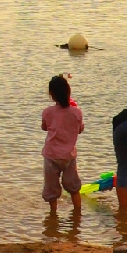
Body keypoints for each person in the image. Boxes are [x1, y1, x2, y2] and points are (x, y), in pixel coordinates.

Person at [41, 75, 84, 209]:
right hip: (68, 156)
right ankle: (77, 215)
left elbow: (44, 127)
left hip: (51, 155)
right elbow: (80, 129)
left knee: (51, 190)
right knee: (74, 187)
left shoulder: (48, 112)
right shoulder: (76, 112)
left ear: (52, 94)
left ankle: (53, 216)